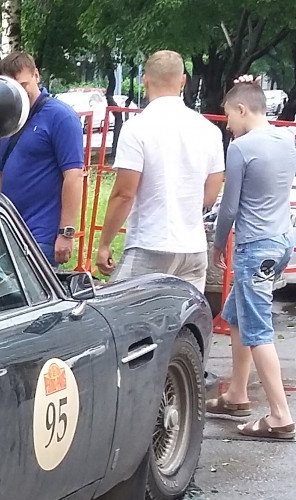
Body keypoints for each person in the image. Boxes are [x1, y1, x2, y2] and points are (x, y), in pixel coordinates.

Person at [205, 80, 296, 441]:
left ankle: (279, 415)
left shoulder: (241, 148)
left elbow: (229, 207)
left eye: (228, 115)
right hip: (281, 239)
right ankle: (237, 395)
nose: (227, 124)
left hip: (254, 247)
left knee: (257, 329)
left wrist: (217, 245)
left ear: (242, 109)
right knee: (237, 313)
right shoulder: (287, 142)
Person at [95, 50, 224, 290]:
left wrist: (104, 244)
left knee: (124, 317)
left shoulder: (137, 128)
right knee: (184, 323)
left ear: (145, 80)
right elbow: (209, 196)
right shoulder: (209, 131)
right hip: (193, 248)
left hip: (151, 243)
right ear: (183, 81)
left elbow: (124, 193)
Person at [0, 51, 85, 267]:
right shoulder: (8, 118)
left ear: (37, 76)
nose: (20, 94)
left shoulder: (61, 117)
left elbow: (74, 176)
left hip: (40, 239)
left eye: (23, 86)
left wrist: (66, 233)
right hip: (9, 234)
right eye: (12, 89)